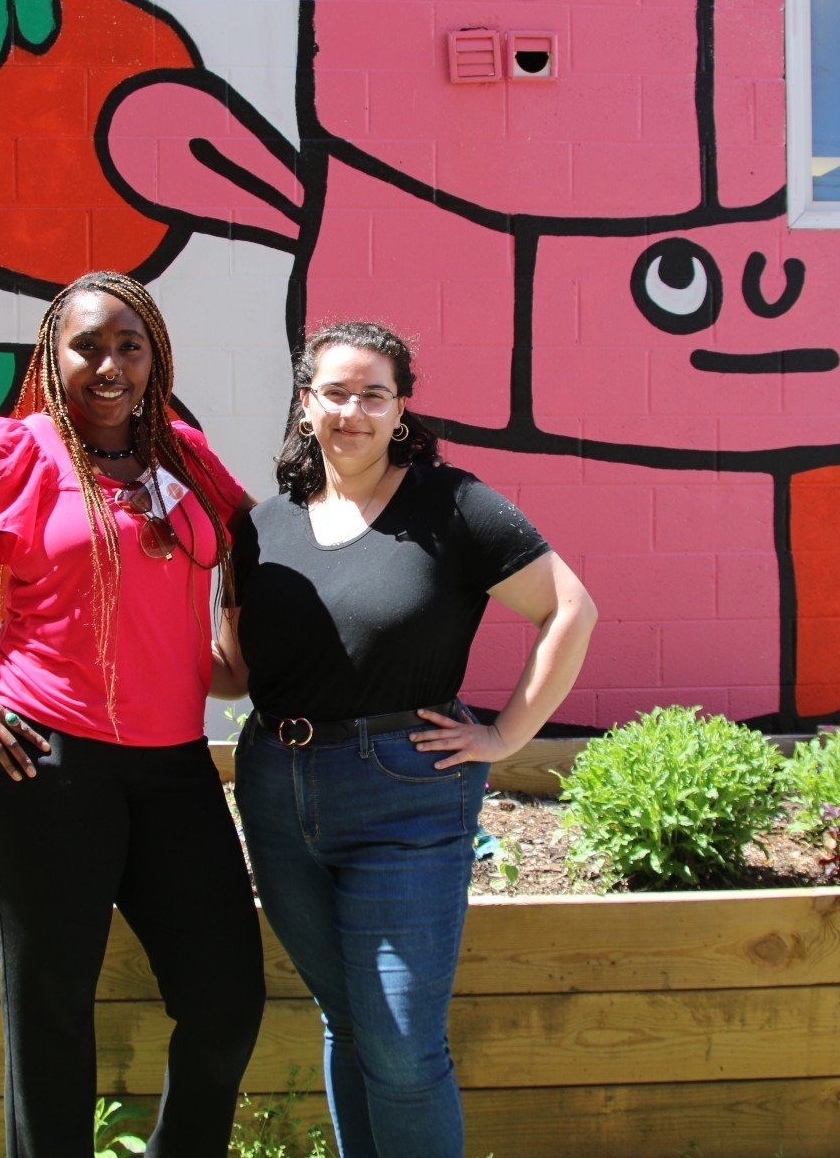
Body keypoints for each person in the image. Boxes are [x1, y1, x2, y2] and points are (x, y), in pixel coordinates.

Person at [0, 270, 264, 1158]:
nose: (109, 364)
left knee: (226, 1002)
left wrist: (230, 653)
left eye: (129, 345)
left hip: (175, 766)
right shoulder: (19, 451)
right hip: (42, 762)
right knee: (52, 1012)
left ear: (155, 357)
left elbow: (249, 540)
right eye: (88, 345)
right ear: (52, 356)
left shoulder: (183, 455)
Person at [213, 320, 597, 1158]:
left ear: (400, 410)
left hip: (406, 796)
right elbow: (234, 674)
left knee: (398, 1038)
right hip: (278, 792)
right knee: (348, 1021)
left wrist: (505, 735)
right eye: (335, 392)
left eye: (373, 395)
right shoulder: (260, 527)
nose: (353, 410)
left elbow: (570, 608)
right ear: (305, 402)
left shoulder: (452, 504)